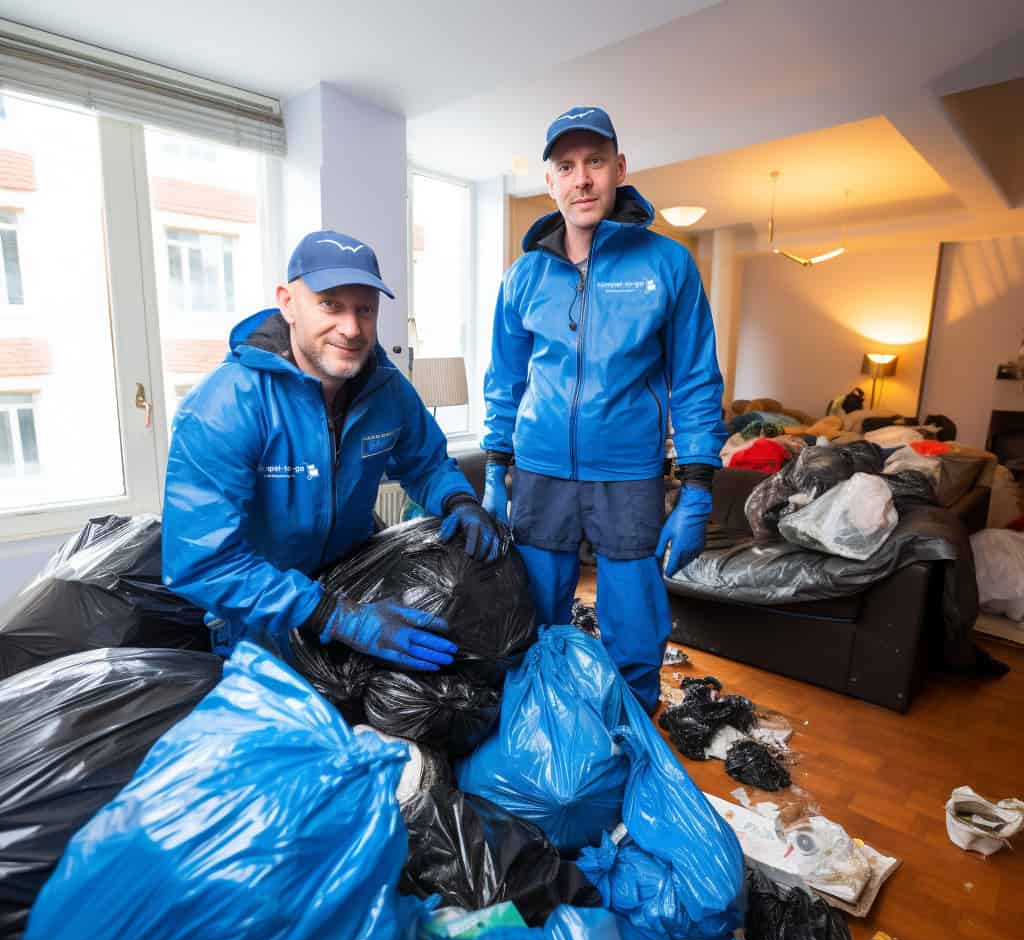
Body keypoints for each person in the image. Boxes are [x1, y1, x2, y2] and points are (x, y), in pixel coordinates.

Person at [481, 106, 726, 711]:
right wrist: (493, 466)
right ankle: (544, 731)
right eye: (566, 166)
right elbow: (505, 377)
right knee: (536, 621)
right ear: (550, 181)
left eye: (594, 162)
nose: (581, 179)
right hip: (538, 472)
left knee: (634, 625)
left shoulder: (667, 264)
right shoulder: (524, 275)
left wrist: (698, 484)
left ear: (620, 168)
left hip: (628, 473)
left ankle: (634, 733)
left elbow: (695, 376)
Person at [163, 229, 500, 668]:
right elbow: (201, 562)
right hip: (261, 622)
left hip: (356, 590)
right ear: (287, 303)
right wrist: (336, 617)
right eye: (330, 305)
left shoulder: (386, 388)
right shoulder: (224, 406)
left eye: (365, 309)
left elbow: (426, 461)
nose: (352, 328)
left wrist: (458, 499)